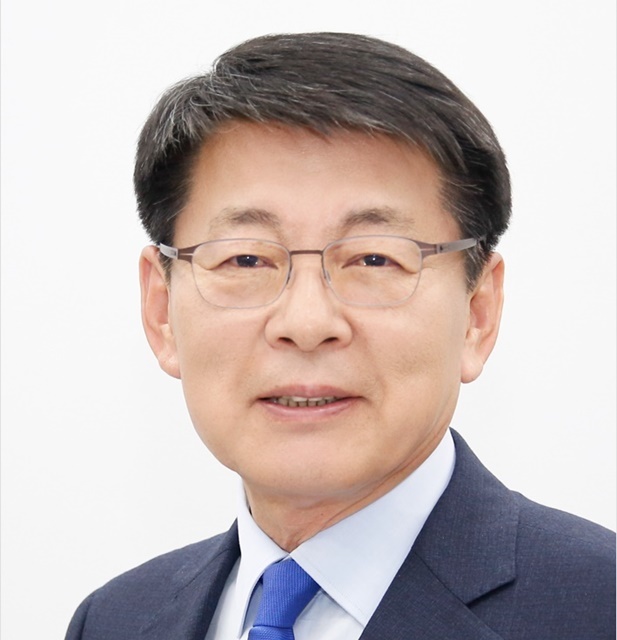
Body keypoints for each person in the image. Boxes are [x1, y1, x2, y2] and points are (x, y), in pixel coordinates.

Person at [65, 32, 615, 639]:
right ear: (161, 309)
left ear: (477, 313)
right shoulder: (113, 621)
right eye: (246, 259)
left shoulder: (597, 607)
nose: (306, 324)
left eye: (374, 259)